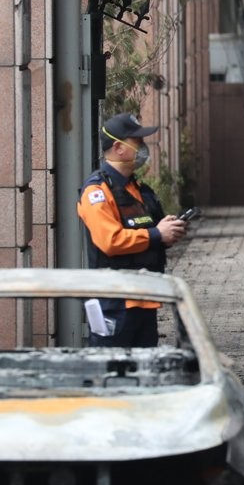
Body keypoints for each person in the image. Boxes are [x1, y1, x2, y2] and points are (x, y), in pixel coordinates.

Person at [77, 112, 187, 347]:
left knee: (144, 374)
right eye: (138, 142)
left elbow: (149, 231)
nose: (143, 148)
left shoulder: (139, 189)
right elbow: (110, 241)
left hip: (144, 297)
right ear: (118, 148)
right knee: (112, 374)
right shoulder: (97, 191)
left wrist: (168, 232)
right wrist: (157, 234)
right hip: (113, 302)